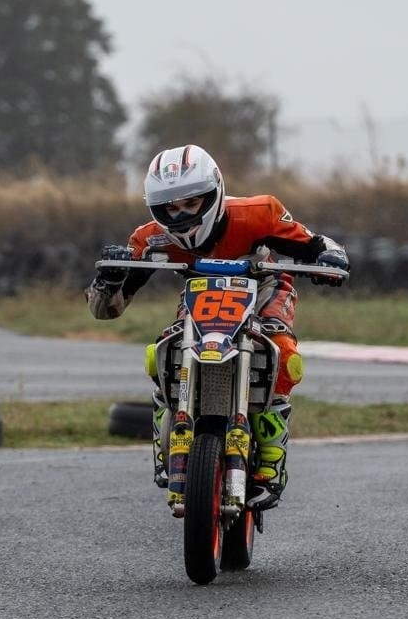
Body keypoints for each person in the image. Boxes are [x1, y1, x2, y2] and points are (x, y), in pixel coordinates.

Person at [86, 144, 349, 510]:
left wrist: (330, 258)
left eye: (191, 204)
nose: (181, 215)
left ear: (213, 192)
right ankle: (167, 436)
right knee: (163, 348)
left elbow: (314, 242)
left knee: (279, 349)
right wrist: (109, 281)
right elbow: (104, 311)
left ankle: (272, 460)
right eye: (170, 207)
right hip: (201, 295)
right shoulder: (149, 238)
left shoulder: (261, 213)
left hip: (265, 287)